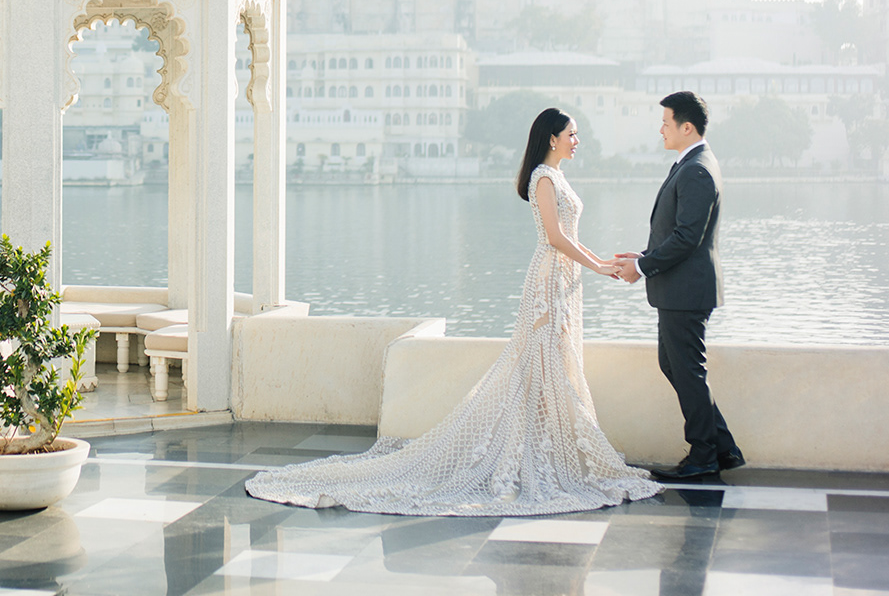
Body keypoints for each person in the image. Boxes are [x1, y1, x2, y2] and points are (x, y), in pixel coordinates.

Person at [244, 108, 659, 515]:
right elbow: (554, 237)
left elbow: (570, 235)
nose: (577, 141)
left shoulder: (558, 176)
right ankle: (533, 452)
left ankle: (544, 447)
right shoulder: (543, 178)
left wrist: (601, 262)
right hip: (549, 280)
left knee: (554, 363)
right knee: (540, 362)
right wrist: (598, 266)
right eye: (571, 134)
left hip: (565, 278)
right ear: (552, 138)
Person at [606, 91, 745, 480]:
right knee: (675, 366)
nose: (661, 130)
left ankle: (703, 455)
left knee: (687, 371)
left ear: (687, 127)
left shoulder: (697, 169)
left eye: (666, 123)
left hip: (686, 292)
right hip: (680, 289)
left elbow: (687, 238)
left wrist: (642, 267)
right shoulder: (691, 164)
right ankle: (723, 448)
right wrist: (644, 255)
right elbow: (678, 233)